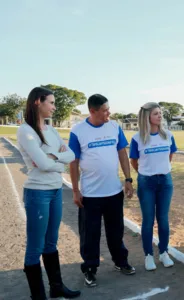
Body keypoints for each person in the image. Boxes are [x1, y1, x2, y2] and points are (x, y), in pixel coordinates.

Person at [18, 87, 80, 299]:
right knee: (35, 246)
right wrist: (55, 160)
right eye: (51, 103)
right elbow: (43, 165)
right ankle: (38, 296)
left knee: (51, 242)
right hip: (38, 193)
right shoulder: (25, 131)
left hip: (55, 190)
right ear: (38, 102)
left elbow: (70, 155)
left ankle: (56, 287)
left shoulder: (51, 130)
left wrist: (51, 159)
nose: (54, 107)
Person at [69, 94, 135, 287]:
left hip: (114, 192)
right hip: (90, 195)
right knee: (90, 235)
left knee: (116, 232)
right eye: (105, 110)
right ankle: (90, 268)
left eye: (109, 109)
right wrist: (75, 190)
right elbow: (73, 162)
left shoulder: (114, 127)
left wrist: (128, 179)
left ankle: (121, 262)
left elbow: (122, 152)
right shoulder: (78, 131)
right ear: (93, 111)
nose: (109, 113)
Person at [129, 102, 177, 271]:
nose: (160, 116)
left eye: (160, 113)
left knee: (163, 219)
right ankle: (148, 255)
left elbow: (170, 155)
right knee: (148, 220)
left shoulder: (168, 135)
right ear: (147, 117)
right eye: (156, 113)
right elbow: (134, 161)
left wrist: (161, 170)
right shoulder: (137, 138)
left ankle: (164, 252)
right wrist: (146, 172)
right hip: (146, 182)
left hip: (165, 181)